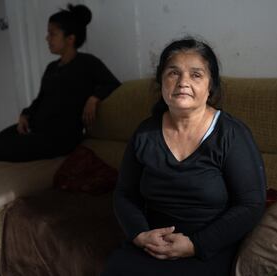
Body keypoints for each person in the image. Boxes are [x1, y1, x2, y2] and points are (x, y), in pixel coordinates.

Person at [102, 37, 266, 276]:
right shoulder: (145, 133)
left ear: (211, 86)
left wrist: (195, 244)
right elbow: (125, 193)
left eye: (196, 75)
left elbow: (251, 204)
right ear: (161, 82)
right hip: (152, 245)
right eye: (173, 73)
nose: (183, 82)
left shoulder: (231, 134)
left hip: (210, 247)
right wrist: (139, 234)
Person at [0, 4, 121, 162]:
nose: (47, 38)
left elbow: (113, 83)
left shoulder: (87, 63)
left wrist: (94, 98)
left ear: (70, 39)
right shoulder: (52, 67)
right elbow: (41, 99)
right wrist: (25, 114)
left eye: (52, 34)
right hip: (37, 129)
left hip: (61, 138)